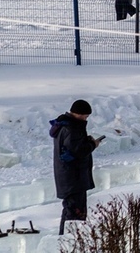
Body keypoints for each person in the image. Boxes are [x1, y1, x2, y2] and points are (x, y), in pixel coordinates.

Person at [50, 99, 101, 235]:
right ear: (77, 113)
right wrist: (92, 145)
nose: (86, 119)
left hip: (68, 177)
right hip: (73, 178)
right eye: (85, 116)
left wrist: (86, 141)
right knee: (74, 213)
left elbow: (72, 147)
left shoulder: (64, 125)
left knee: (69, 210)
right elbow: (77, 151)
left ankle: (64, 239)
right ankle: (70, 241)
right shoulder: (72, 128)